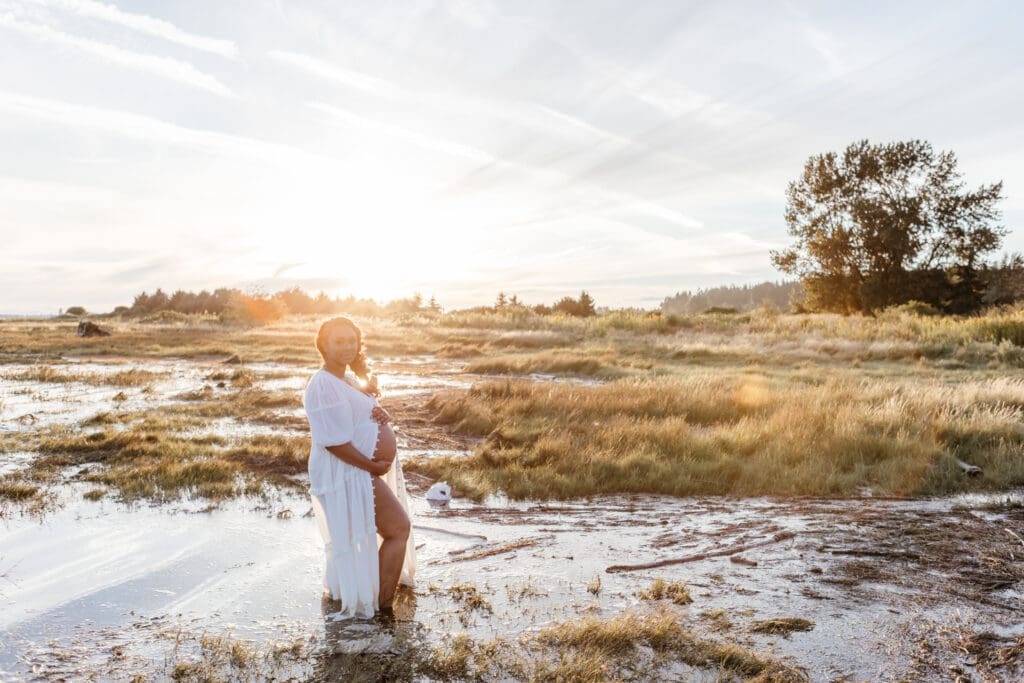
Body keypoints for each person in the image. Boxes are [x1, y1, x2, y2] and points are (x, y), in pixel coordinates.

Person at [303, 317, 416, 619]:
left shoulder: (346, 379)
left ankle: (378, 600)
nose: (347, 347)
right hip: (346, 470)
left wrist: (377, 411)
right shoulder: (323, 384)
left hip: (359, 470)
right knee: (398, 528)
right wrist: (372, 466)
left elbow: (360, 412)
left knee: (392, 529)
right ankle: (380, 609)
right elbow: (332, 442)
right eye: (338, 341)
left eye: (351, 340)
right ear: (323, 345)